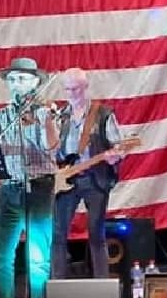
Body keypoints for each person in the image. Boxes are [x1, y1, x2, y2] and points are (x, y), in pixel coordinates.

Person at [0, 57, 60, 298]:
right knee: (1, 256)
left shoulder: (45, 112)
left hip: (39, 188)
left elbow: (51, 147)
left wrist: (47, 122)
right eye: (11, 79)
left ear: (36, 82)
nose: (15, 84)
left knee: (37, 257)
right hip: (8, 188)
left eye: (22, 79)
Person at [50, 68, 127, 280]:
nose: (71, 93)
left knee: (96, 234)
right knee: (57, 234)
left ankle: (102, 287)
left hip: (95, 178)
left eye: (75, 89)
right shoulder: (60, 116)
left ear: (85, 87)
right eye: (67, 89)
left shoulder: (102, 114)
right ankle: (58, 285)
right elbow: (52, 148)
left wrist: (115, 156)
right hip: (67, 177)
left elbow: (118, 146)